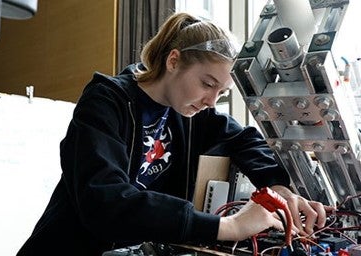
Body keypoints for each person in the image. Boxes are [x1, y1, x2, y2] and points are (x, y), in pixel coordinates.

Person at [17, 12, 332, 256]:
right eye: (207, 84)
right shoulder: (106, 102)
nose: (211, 101)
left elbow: (245, 139)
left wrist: (278, 186)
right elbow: (106, 201)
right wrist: (229, 226)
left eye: (221, 93)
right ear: (173, 60)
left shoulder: (192, 113)